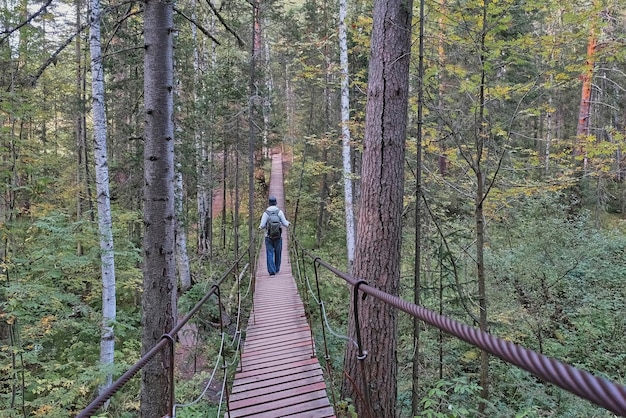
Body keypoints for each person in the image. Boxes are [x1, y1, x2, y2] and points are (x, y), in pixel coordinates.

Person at [259, 196, 290, 276]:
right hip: (278, 236)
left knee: (269, 253)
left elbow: (262, 225)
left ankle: (271, 271)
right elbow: (285, 223)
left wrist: (260, 227)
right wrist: (288, 223)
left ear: (269, 203)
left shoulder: (266, 213)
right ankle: (277, 269)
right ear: (276, 203)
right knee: (278, 253)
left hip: (268, 236)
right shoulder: (279, 212)